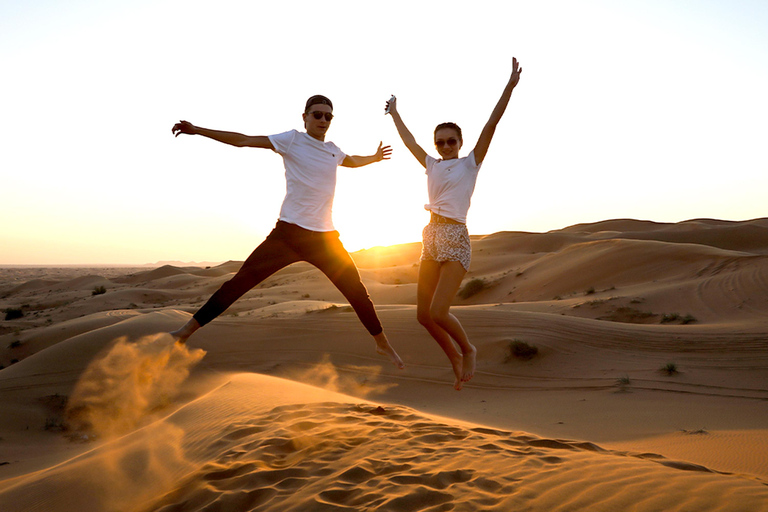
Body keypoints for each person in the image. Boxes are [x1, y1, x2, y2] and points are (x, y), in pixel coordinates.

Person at [169, 95, 404, 369]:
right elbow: (244, 140)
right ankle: (185, 332)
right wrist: (198, 130)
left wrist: (374, 158)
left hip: (325, 239)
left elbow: (349, 160)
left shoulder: (332, 149)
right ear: (304, 117)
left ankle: (381, 342)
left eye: (329, 116)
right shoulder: (292, 140)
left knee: (357, 292)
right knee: (238, 284)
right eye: (317, 115)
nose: (323, 120)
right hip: (288, 235)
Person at [385, 58, 522, 389]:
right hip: (430, 236)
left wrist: (509, 86)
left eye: (451, 141)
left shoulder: (470, 164)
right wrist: (394, 113)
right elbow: (409, 142)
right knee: (422, 315)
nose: (445, 146)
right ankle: (454, 358)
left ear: (460, 143)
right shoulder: (431, 164)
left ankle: (468, 349)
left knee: (440, 311)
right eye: (441, 142)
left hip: (455, 237)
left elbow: (492, 124)